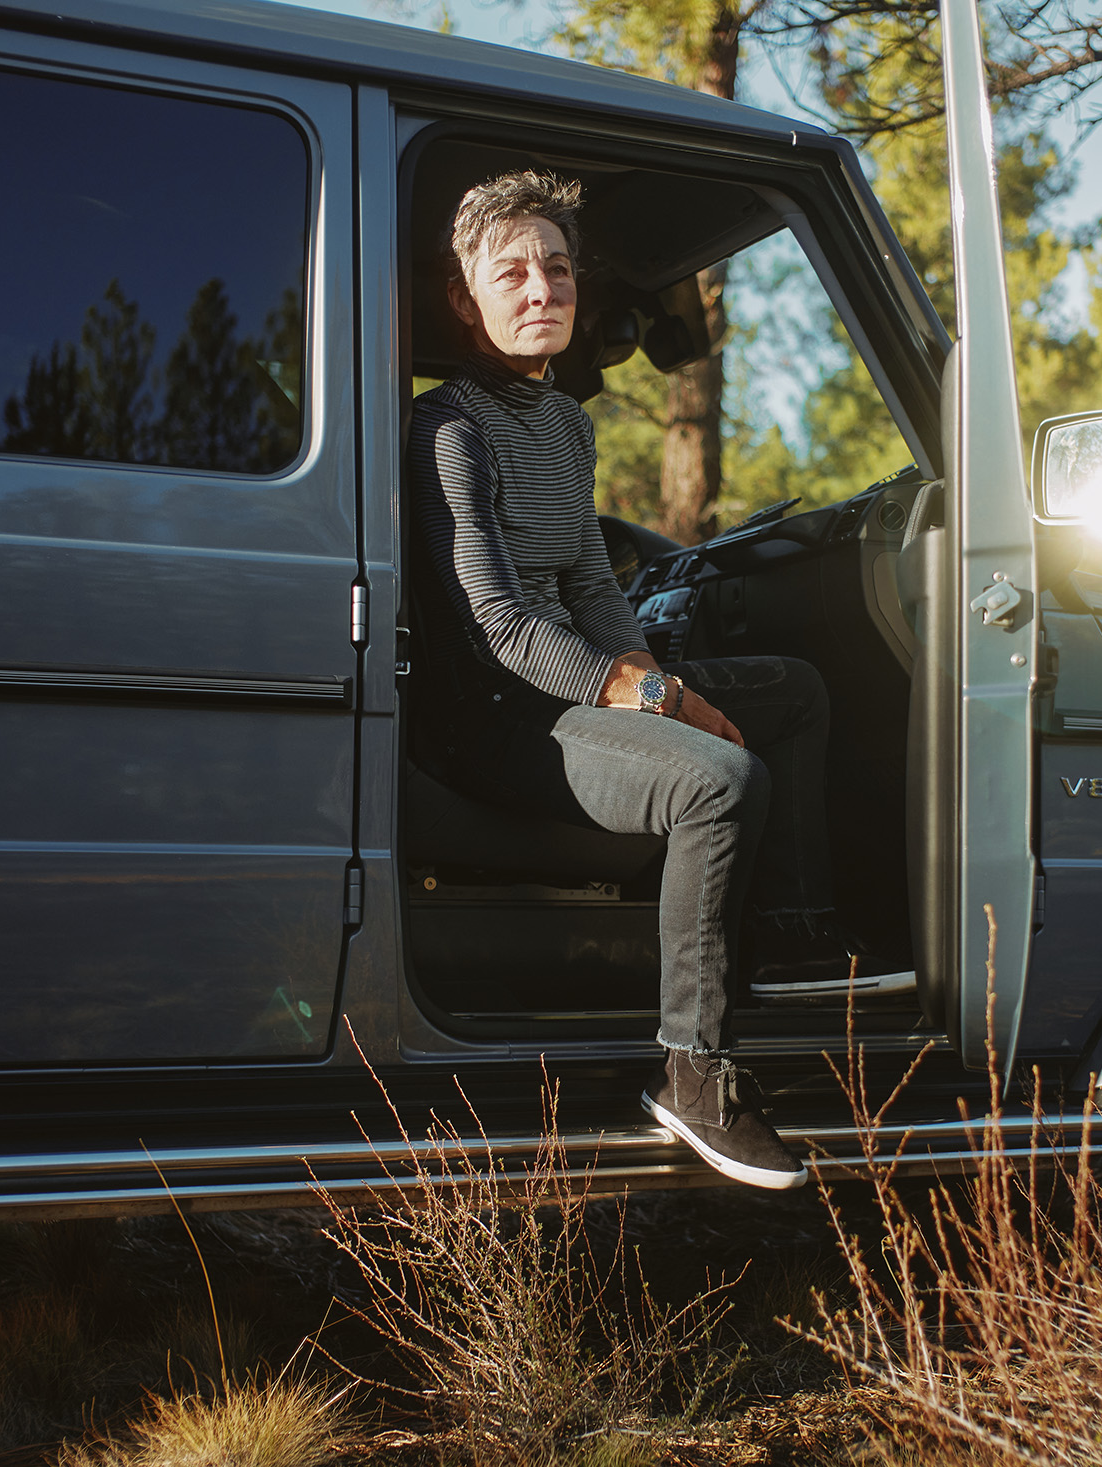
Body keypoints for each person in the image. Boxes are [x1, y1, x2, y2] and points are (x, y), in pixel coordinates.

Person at [405, 170, 877, 1190]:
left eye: (558, 268)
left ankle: (789, 946)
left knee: (790, 691)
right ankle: (694, 1073)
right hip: (496, 714)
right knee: (718, 781)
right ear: (465, 298)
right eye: (513, 272)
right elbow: (501, 624)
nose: (542, 289)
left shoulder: (565, 427)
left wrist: (657, 676)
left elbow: (590, 585)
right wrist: (658, 704)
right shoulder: (445, 431)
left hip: (572, 683)